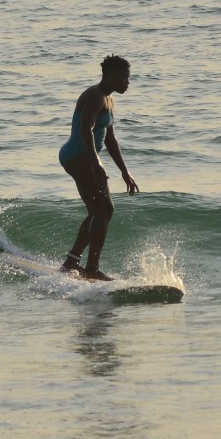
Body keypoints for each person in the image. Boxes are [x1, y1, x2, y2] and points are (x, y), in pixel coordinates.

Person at [57, 55, 139, 281]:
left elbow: (110, 138)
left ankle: (72, 261)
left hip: (83, 156)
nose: (127, 82)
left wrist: (124, 171)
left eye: (128, 78)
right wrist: (95, 164)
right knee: (104, 210)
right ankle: (91, 267)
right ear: (110, 75)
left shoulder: (108, 99)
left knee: (98, 212)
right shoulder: (94, 96)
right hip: (79, 156)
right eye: (123, 77)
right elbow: (85, 130)